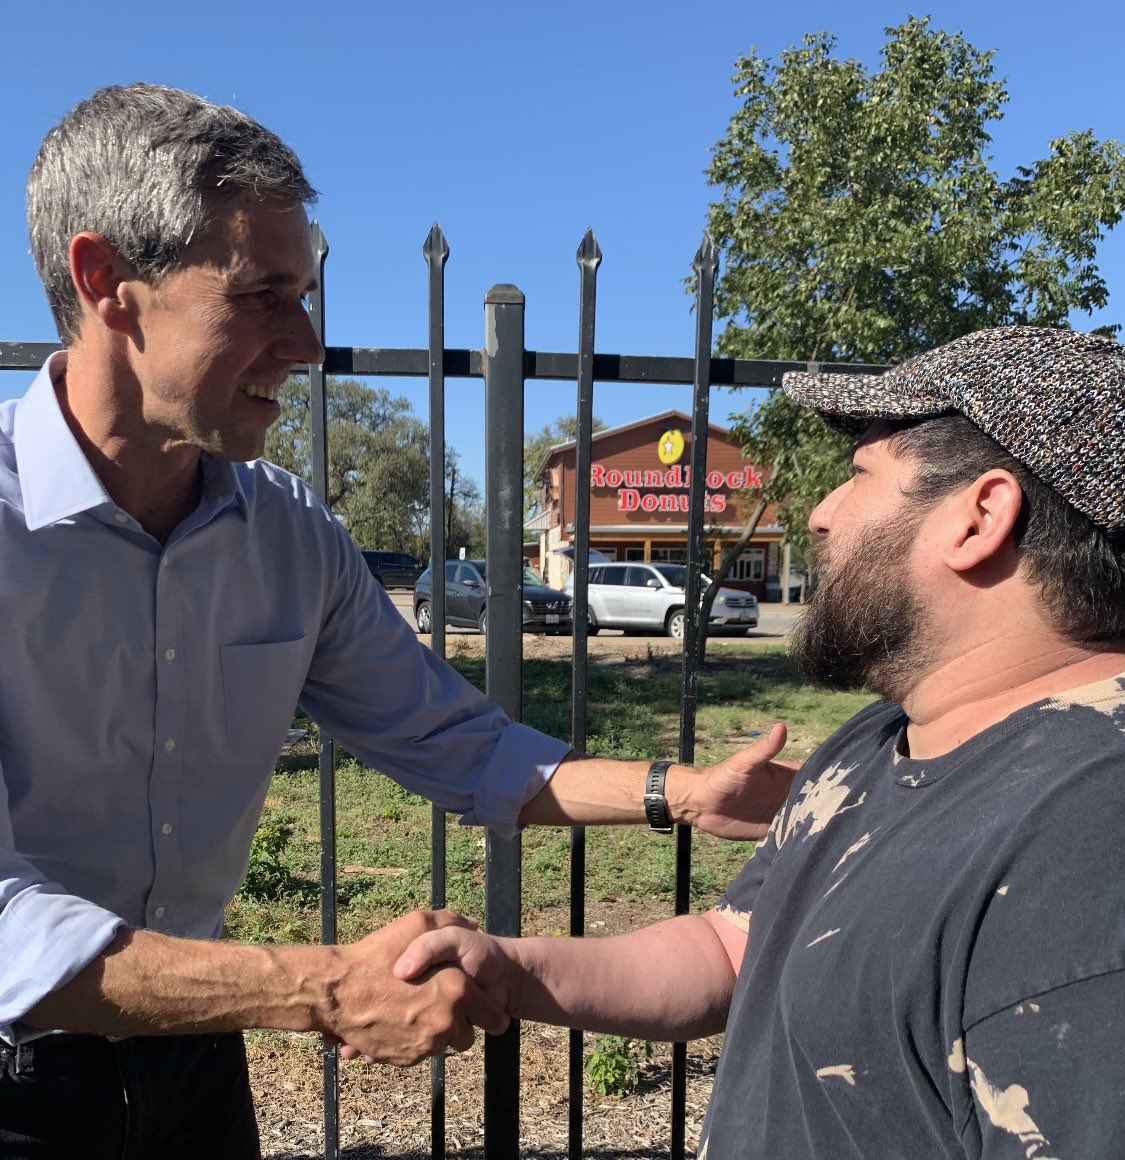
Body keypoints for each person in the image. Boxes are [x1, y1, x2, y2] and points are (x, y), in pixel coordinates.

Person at [0, 83, 796, 1157]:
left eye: (305, 295)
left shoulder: (287, 533)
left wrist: (679, 792)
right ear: (108, 283)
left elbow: (448, 738)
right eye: (263, 294)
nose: (308, 343)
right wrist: (323, 987)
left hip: (195, 1060)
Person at [397, 325, 1125, 1159]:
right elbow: (734, 949)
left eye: (860, 474)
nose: (820, 514)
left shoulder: (1089, 849)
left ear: (979, 516)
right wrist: (512, 971)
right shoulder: (878, 740)